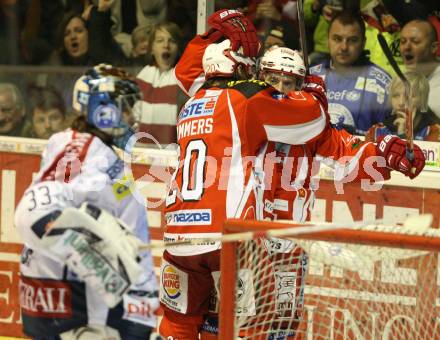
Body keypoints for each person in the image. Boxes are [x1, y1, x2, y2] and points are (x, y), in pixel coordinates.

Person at [14, 65, 159, 340]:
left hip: (81, 305)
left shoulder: (95, 151)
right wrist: (107, 272)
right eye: (126, 107)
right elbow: (33, 212)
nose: (131, 116)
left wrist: (140, 308)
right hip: (77, 309)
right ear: (103, 110)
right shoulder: (80, 147)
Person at [310, 11, 392, 135]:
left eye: (352, 40)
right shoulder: (310, 77)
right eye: (337, 39)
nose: (344, 47)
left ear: (363, 43)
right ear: (328, 40)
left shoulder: (381, 83)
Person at [136, 22, 185, 145]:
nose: (166, 45)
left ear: (178, 49)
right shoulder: (143, 76)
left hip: (172, 156)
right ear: (151, 49)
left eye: (172, 41)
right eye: (160, 41)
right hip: (142, 155)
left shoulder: (183, 79)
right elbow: (133, 118)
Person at [366, 72, 440, 142]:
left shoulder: (434, 131)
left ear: (421, 99)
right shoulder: (376, 131)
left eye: (408, 96)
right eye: (396, 96)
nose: (401, 102)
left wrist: (402, 134)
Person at [399, 19, 440, 119]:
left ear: (434, 47)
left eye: (415, 42)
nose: (407, 47)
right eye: (403, 41)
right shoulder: (400, 81)